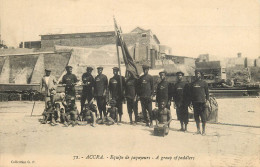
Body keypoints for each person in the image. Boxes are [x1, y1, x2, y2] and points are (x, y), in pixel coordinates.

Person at [190, 70, 209, 135]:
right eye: (195, 73)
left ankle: (203, 131)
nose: (197, 75)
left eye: (198, 73)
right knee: (196, 117)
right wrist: (190, 102)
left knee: (203, 117)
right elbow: (191, 94)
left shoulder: (204, 83)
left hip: (202, 103)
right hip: (195, 103)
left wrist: (207, 101)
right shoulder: (192, 84)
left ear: (200, 74)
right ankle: (198, 130)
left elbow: (207, 93)